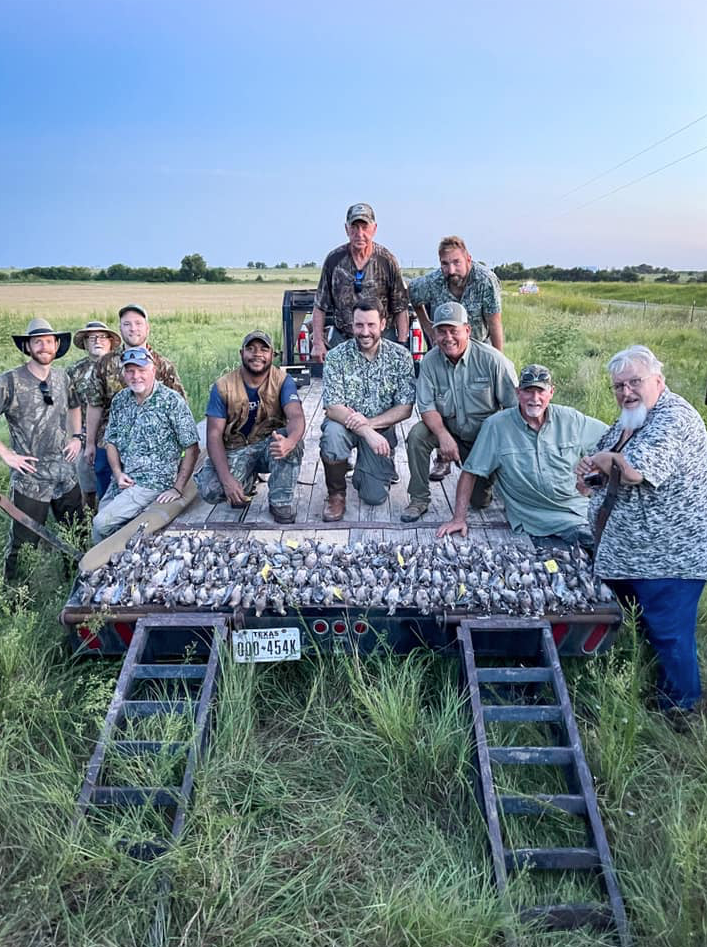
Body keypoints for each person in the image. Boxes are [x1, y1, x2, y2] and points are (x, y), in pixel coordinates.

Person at [576, 345, 707, 719]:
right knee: (645, 632)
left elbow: (633, 470)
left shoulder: (673, 418)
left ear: (658, 380)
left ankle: (681, 711)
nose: (626, 392)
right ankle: (654, 690)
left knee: (670, 635)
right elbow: (603, 464)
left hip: (669, 557)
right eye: (619, 386)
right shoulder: (632, 419)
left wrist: (604, 462)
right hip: (631, 554)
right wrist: (592, 468)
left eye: (635, 382)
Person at [437, 364, 608, 546]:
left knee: (625, 541)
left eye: (541, 392)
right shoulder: (496, 426)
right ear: (518, 392)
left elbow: (613, 441)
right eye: (528, 391)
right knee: (602, 545)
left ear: (551, 392)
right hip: (535, 519)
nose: (535, 399)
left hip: (580, 509)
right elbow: (470, 472)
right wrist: (458, 519)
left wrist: (591, 477)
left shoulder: (571, 419)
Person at [401, 302, 518, 522]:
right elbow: (426, 406)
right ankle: (419, 499)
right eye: (441, 331)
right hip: (449, 429)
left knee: (480, 502)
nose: (448, 337)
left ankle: (493, 481)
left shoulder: (493, 360)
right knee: (417, 435)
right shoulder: (429, 361)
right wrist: (444, 436)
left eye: (454, 330)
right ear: (434, 333)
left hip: (483, 440)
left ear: (468, 330)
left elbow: (514, 410)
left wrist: (496, 450)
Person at [408, 235, 505, 482]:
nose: (451, 269)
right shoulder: (433, 281)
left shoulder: (485, 280)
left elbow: (494, 323)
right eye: (445, 264)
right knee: (445, 401)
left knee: (479, 405)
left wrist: (498, 361)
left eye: (456, 263)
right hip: (443, 348)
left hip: (478, 349)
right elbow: (413, 295)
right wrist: (428, 328)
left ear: (468, 259)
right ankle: (443, 457)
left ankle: (486, 459)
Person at [0, 318, 83, 579]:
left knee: (76, 535)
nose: (44, 347)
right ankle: (12, 600)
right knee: (23, 545)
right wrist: (6, 454)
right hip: (31, 479)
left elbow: (74, 405)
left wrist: (77, 436)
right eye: (38, 342)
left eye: (49, 341)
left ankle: (75, 587)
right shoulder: (10, 381)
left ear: (57, 345)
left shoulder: (62, 377)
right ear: (27, 346)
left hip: (65, 475)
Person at [195, 331, 305, 524]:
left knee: (293, 440)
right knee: (211, 491)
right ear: (241, 353)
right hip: (236, 449)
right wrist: (227, 479)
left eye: (264, 349)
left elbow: (296, 416)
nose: (257, 354)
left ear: (272, 355)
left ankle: (280, 501)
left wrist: (290, 441)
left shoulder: (283, 381)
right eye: (251, 349)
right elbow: (213, 436)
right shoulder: (222, 386)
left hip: (269, 446)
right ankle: (247, 480)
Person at [320, 298, 415, 520]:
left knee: (374, 497)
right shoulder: (336, 357)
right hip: (345, 426)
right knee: (332, 434)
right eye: (359, 325)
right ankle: (336, 494)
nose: (364, 332)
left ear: (383, 324)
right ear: (351, 325)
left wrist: (369, 426)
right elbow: (333, 407)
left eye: (371, 325)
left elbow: (405, 408)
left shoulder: (401, 357)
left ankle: (371, 469)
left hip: (380, 429)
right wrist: (366, 432)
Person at [92, 347, 199, 543]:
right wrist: (117, 473)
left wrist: (177, 488)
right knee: (103, 520)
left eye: (141, 370)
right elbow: (111, 442)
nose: (136, 376)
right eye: (130, 371)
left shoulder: (171, 401)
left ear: (153, 370)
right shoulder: (120, 400)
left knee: (101, 524)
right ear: (124, 374)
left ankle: (101, 568)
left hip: (154, 482)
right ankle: (113, 567)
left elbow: (191, 447)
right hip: (125, 479)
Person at [84, 304, 186, 499]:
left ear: (147, 328)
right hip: (109, 444)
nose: (133, 329)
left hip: (153, 450)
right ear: (120, 329)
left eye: (138, 324)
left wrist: (179, 449)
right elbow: (94, 405)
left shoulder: (162, 365)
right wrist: (90, 443)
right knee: (107, 498)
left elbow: (180, 409)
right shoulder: (105, 363)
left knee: (147, 503)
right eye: (127, 324)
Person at [310, 202, 409, 360]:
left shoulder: (386, 260)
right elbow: (319, 306)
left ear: (374, 229)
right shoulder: (333, 260)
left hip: (381, 340)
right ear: (346, 229)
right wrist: (317, 343)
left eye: (365, 227)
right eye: (354, 227)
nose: (360, 233)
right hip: (343, 339)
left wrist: (402, 345)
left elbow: (400, 308)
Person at [66, 320, 122, 510]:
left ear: (111, 341)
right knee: (87, 480)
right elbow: (70, 406)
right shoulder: (74, 371)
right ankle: (89, 519)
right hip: (84, 433)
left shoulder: (123, 365)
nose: (97, 341)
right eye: (92, 338)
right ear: (85, 343)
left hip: (117, 432)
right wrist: (78, 437)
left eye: (102, 337)